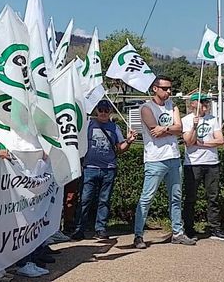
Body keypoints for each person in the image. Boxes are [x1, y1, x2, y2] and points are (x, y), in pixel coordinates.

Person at [133, 76, 195, 248]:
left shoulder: (172, 105)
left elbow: (179, 128)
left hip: (173, 157)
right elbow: (154, 131)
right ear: (155, 89)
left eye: (170, 88)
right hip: (155, 159)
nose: (169, 92)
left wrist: (166, 129)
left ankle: (178, 232)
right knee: (147, 198)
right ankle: (138, 235)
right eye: (165, 88)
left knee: (176, 197)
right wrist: (170, 129)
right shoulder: (146, 107)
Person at [71, 100, 135, 240]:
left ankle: (100, 228)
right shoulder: (88, 124)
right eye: (101, 110)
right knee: (84, 200)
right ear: (97, 111)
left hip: (109, 168)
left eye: (106, 110)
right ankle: (79, 229)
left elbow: (119, 149)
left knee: (104, 200)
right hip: (90, 168)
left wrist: (129, 141)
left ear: (110, 111)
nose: (104, 113)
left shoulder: (114, 127)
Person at [181, 94, 224, 241]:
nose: (205, 105)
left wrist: (202, 144)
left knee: (213, 197)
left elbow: (220, 140)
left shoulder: (212, 119)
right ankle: (188, 228)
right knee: (190, 198)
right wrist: (194, 127)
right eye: (202, 102)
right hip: (193, 163)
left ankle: (215, 228)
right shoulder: (186, 120)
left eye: (206, 102)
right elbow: (188, 141)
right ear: (193, 104)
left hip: (212, 163)